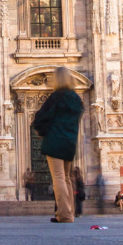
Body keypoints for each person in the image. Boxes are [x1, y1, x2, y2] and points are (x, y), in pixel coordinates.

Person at [32, 67, 83, 224]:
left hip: (55, 141)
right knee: (66, 178)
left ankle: (64, 215)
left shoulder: (56, 97)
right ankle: (70, 213)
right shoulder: (76, 99)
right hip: (70, 142)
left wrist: (41, 130)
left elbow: (42, 116)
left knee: (59, 178)